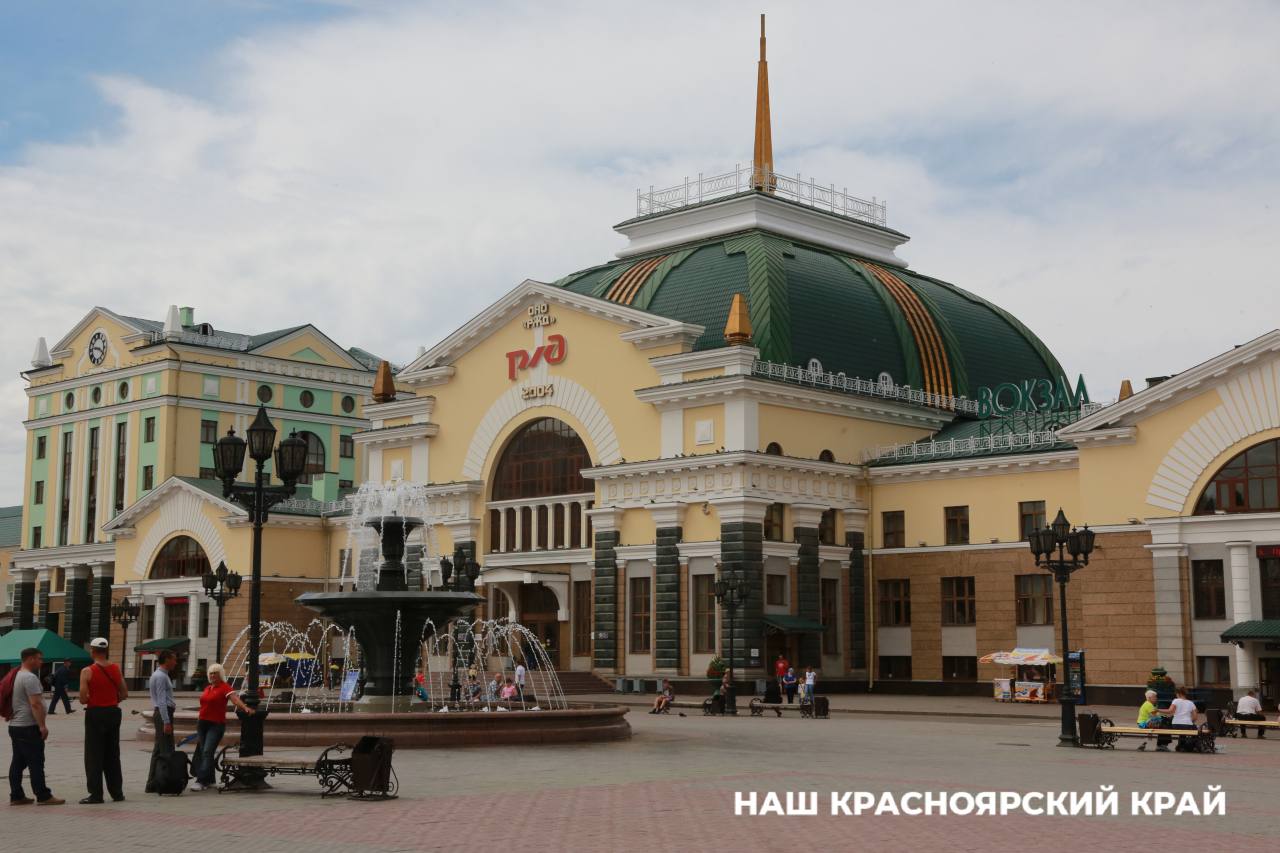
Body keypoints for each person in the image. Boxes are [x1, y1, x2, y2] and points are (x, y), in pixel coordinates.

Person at [8, 647, 64, 806]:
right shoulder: (29, 678)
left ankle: (16, 795)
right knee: (36, 761)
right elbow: (36, 704)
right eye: (39, 658)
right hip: (28, 726)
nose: (41, 661)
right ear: (31, 659)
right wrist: (42, 726)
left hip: (16, 726)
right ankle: (43, 795)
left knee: (18, 762)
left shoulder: (16, 675)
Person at [78, 637, 127, 804]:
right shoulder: (115, 669)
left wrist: (94, 697)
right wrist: (111, 701)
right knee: (113, 754)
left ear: (92, 651)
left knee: (93, 755)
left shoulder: (87, 671)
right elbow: (124, 693)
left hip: (95, 714)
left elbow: (83, 699)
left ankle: (96, 794)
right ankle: (117, 793)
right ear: (106, 651)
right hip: (113, 713)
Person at [190, 663, 250, 791]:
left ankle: (201, 781)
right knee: (205, 752)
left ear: (220, 674)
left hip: (216, 725)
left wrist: (244, 707)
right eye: (211, 673)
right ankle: (210, 780)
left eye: (215, 673)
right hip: (202, 723)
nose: (212, 675)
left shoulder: (225, 687)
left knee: (207, 751)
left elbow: (234, 699)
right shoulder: (208, 688)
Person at [144, 649, 178, 793]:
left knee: (158, 749)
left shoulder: (161, 675)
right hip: (163, 713)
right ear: (167, 660)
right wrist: (166, 721)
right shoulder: (161, 677)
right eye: (174, 659)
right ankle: (165, 782)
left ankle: (152, 783)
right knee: (166, 750)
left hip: (163, 713)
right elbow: (162, 701)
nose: (176, 662)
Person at [1157, 686, 1199, 752]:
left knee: (1167, 725)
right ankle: (1187, 746)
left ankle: (1179, 746)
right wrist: (1191, 722)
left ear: (1178, 693)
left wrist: (1158, 710)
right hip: (1187, 724)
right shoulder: (1191, 703)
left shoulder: (1175, 700)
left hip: (1176, 724)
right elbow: (1195, 716)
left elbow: (1170, 711)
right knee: (1194, 729)